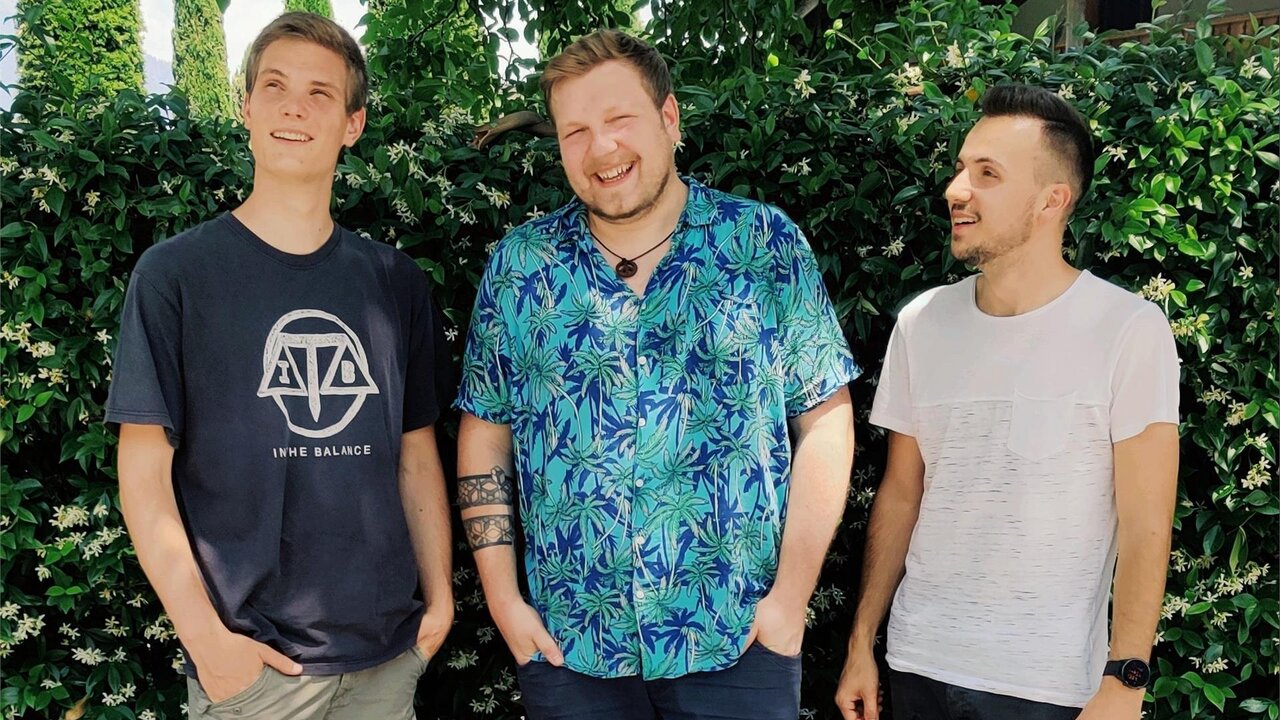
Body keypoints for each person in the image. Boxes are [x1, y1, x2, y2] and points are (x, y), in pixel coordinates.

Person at [455, 29, 859, 720]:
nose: (601, 149)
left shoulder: (763, 245)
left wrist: (790, 599)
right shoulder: (521, 267)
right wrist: (503, 600)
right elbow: (485, 431)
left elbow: (825, 419)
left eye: (619, 119)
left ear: (668, 118)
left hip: (737, 641)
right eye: (576, 131)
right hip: (570, 649)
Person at [106, 12, 453, 720]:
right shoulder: (176, 277)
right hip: (253, 673)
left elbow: (415, 453)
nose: (294, 107)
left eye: (320, 93)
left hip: (387, 661)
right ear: (247, 107)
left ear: (353, 124)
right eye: (275, 86)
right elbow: (142, 472)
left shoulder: (394, 282)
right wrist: (209, 644)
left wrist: (440, 603)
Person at [835, 84, 1181, 720]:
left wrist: (1125, 680)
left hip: (1044, 686)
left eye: (987, 174)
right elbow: (902, 493)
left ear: (1052, 200)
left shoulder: (1128, 329)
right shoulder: (922, 323)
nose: (956, 189)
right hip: (918, 664)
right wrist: (862, 644)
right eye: (961, 168)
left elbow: (1146, 522)